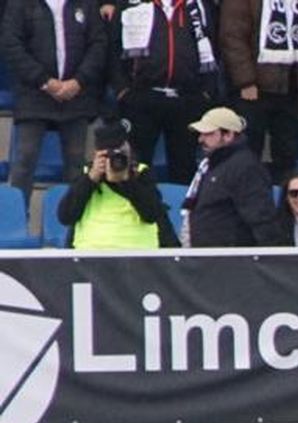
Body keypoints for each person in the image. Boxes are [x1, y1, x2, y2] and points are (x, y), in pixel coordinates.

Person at [0, 0, 107, 200]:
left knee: (76, 166)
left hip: (76, 96)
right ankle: (19, 219)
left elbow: (98, 44)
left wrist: (79, 81)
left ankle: (73, 224)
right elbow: (11, 45)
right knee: (24, 161)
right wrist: (44, 81)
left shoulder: (86, 4)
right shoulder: (20, 4)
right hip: (33, 95)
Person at [109, 0, 218, 186]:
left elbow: (214, 44)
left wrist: (206, 92)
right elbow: (113, 48)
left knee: (184, 168)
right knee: (137, 165)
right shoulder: (130, 4)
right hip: (142, 97)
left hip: (186, 98)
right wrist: (123, 90)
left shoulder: (198, 6)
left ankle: (182, 214)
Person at [220, 0, 298, 183]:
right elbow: (232, 36)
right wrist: (246, 81)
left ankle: (284, 207)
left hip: (293, 88)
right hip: (254, 90)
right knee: (247, 157)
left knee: (288, 159)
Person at [58, 117, 180, 249]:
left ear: (128, 147)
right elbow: (66, 216)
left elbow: (152, 214)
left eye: (120, 151)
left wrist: (126, 181)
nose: (115, 158)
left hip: (137, 252)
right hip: (92, 251)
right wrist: (91, 179)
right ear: (97, 154)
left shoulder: (140, 173)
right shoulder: (88, 174)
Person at [183, 105, 283, 246]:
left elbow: (262, 217)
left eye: (209, 133)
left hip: (232, 262)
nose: (200, 139)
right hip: (212, 260)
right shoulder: (212, 166)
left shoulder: (246, 167)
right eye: (201, 134)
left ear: (228, 134)